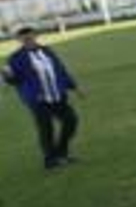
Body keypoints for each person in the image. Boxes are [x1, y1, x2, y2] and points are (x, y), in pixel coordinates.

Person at [4, 26, 82, 170]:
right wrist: (7, 76)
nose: (28, 39)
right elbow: (14, 80)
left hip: (57, 95)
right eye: (24, 38)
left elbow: (60, 69)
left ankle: (61, 152)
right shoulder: (15, 58)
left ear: (35, 35)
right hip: (37, 99)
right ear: (19, 40)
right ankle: (50, 160)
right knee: (46, 129)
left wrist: (74, 87)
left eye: (30, 36)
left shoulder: (47, 51)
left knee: (71, 121)